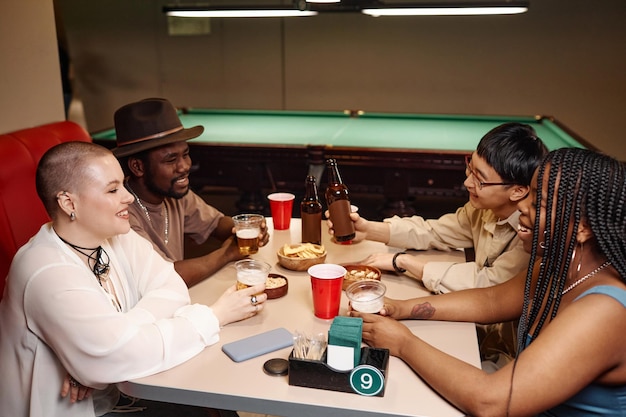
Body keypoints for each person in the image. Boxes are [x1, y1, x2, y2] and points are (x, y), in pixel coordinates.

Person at [351, 147, 626, 416]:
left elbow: (491, 402)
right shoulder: (553, 269)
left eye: (538, 202)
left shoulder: (604, 311)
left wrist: (403, 343)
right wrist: (399, 308)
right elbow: (490, 301)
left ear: (583, 227)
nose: (522, 206)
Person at [0, 141, 267, 417]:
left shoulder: (116, 236)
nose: (128, 197)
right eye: (113, 189)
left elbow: (171, 287)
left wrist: (107, 351)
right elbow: (117, 356)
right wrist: (214, 316)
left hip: (119, 391)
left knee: (217, 405)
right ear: (69, 203)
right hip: (83, 410)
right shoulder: (47, 271)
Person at [330, 122, 548, 294]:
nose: (467, 183)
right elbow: (434, 232)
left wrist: (404, 262)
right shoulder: (485, 209)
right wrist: (368, 230)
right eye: (470, 167)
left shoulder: (530, 233)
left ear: (518, 191)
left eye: (480, 180)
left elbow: (488, 284)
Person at [111, 97, 269, 287]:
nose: (184, 167)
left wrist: (244, 229)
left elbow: (216, 223)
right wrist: (227, 253)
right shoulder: (121, 215)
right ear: (137, 167)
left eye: (185, 154)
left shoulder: (174, 193)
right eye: (171, 160)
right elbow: (165, 277)